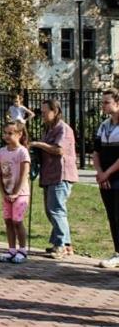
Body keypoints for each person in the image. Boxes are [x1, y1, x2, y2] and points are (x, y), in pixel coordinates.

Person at [30, 99, 78, 259]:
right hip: (49, 174)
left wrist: (38, 144)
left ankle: (61, 245)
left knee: (56, 210)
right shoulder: (48, 129)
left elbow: (59, 150)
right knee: (51, 210)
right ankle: (67, 244)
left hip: (61, 175)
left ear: (55, 111)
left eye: (45, 112)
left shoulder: (63, 129)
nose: (42, 115)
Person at [0, 121, 31, 264]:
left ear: (19, 134)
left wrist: (16, 192)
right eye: (5, 133)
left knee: (17, 221)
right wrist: (3, 192)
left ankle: (22, 250)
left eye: (10, 133)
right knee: (8, 221)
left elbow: (24, 174)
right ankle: (11, 249)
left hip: (20, 193)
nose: (7, 136)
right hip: (7, 193)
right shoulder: (2, 152)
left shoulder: (22, 152)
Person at [95, 88, 119, 268]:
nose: (103, 105)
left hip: (116, 176)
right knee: (112, 216)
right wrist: (100, 173)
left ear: (117, 103)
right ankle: (117, 252)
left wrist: (107, 172)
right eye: (102, 102)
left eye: (106, 102)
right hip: (106, 178)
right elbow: (96, 151)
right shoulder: (103, 125)